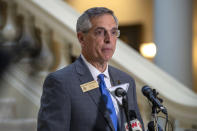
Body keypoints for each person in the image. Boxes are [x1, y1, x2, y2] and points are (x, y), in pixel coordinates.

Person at [37, 7, 144, 131]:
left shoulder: (126, 80)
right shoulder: (61, 83)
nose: (109, 39)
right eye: (100, 32)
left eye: (113, 32)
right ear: (81, 38)